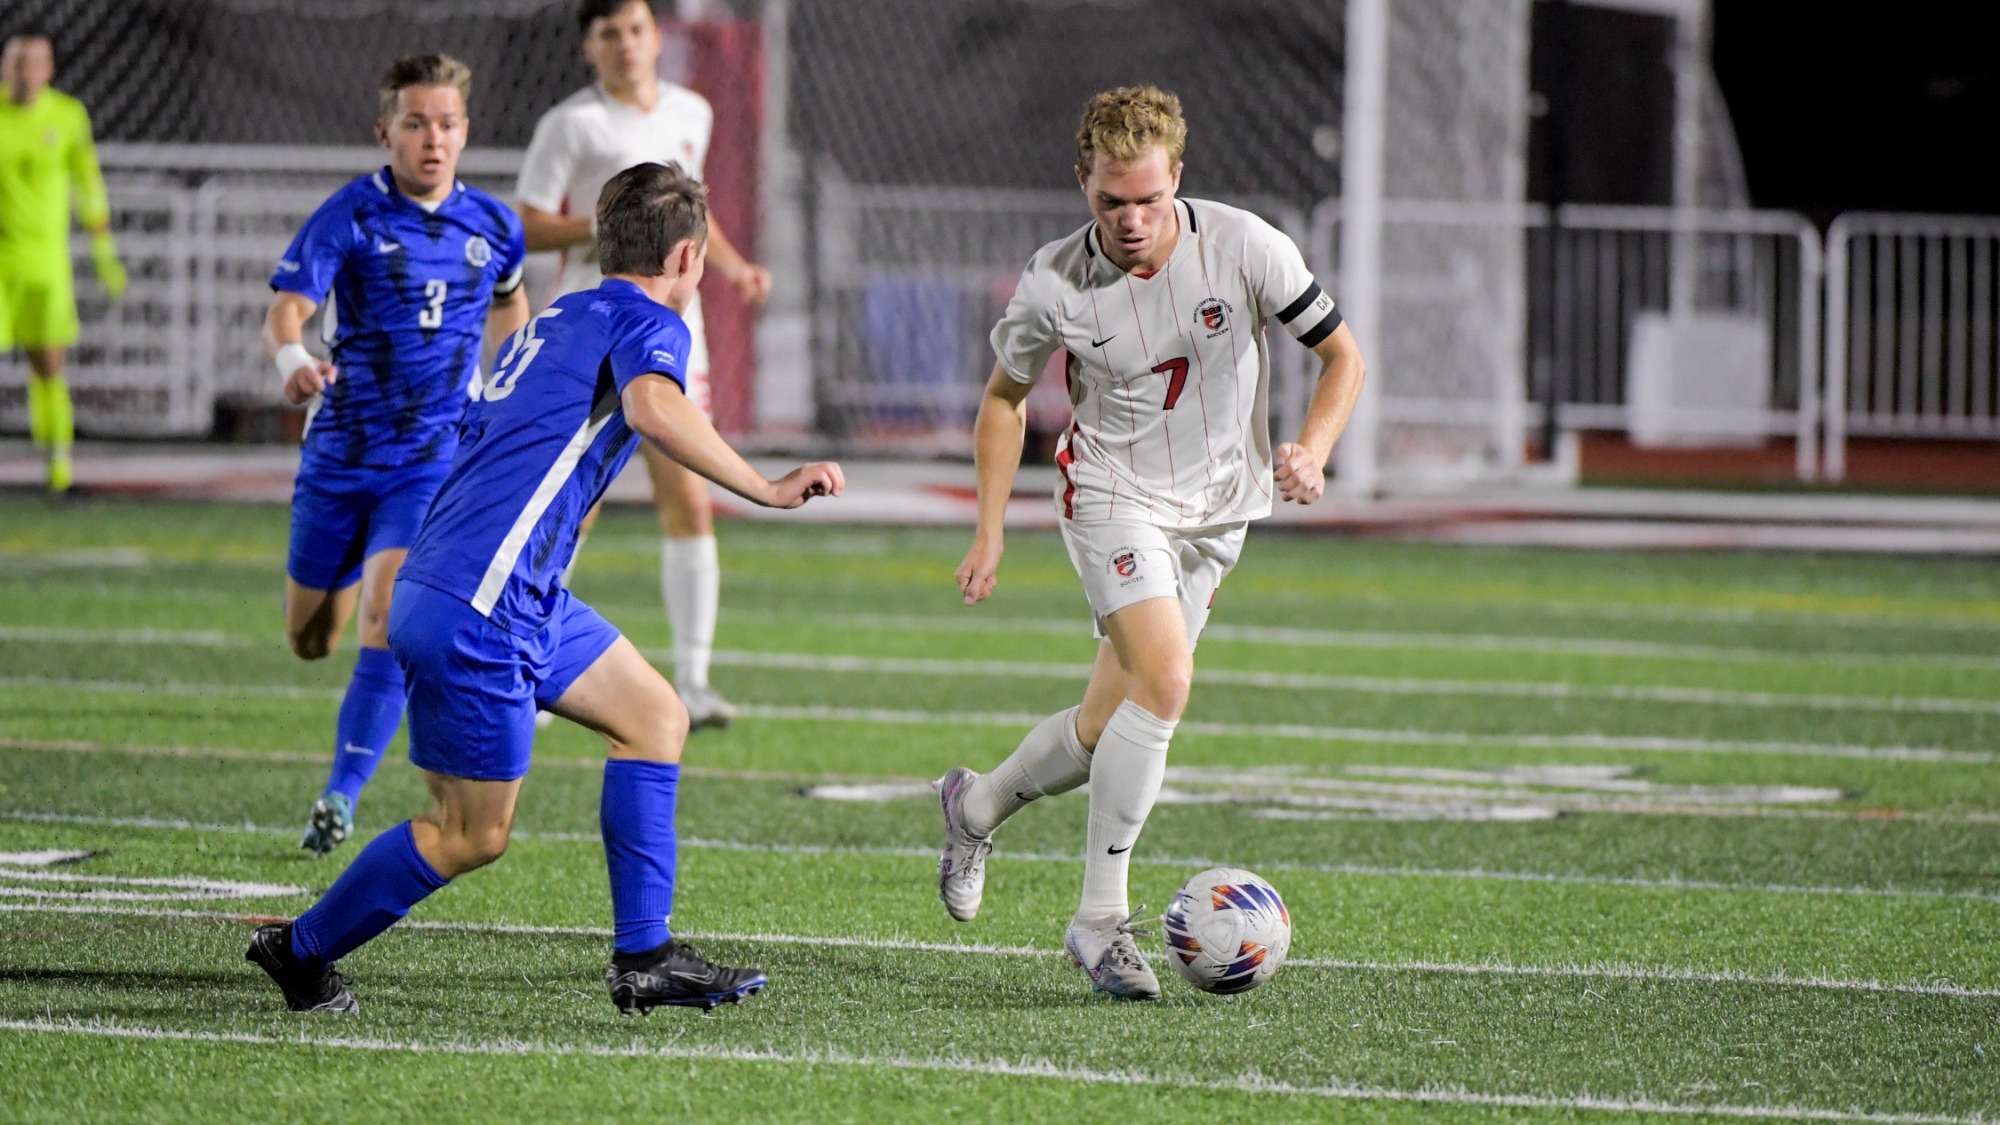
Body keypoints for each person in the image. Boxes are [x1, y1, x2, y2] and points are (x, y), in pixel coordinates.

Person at [245, 161, 843, 1015]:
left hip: (486, 588)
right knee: (469, 834)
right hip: (483, 604)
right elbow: (652, 408)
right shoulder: (650, 320)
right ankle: (301, 950)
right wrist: (768, 487)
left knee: (655, 717)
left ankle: (646, 954)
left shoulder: (561, 315)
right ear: (685, 258)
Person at [932, 86, 1366, 999]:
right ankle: (1099, 922)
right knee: (1166, 680)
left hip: (1218, 511)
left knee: (1108, 725)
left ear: (1179, 178)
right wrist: (989, 528)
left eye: (1148, 199)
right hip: (1113, 494)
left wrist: (1314, 448)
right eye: (1110, 201)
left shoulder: (1246, 245)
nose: (1130, 220)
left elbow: (1342, 356)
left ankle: (974, 804)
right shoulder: (1053, 281)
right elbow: (1004, 400)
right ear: (1081, 183)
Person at [263, 54, 530, 856]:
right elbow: (288, 310)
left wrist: (514, 397)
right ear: (385, 132)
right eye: (416, 124)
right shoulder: (350, 213)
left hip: (431, 459)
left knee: (386, 616)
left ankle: (339, 796)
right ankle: (340, 582)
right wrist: (294, 360)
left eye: (446, 124)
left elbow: (511, 313)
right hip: (341, 453)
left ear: (465, 132)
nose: (432, 139)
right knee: (311, 637)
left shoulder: (494, 227)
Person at [514, 0, 773, 730]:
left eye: (635, 29)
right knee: (573, 502)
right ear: (588, 48)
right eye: (609, 34)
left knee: (688, 498)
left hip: (673, 331)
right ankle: (528, 657)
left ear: (657, 36)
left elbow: (691, 217)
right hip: (591, 333)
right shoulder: (571, 125)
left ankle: (694, 679)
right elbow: (526, 224)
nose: (626, 44)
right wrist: (616, 228)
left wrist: (734, 267)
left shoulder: (692, 111)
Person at [0, 28, 124, 494]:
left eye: (34, 63)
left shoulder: (68, 117)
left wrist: (103, 250)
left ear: (49, 69)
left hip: (47, 264)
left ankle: (58, 470)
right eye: (17, 62)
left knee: (48, 366)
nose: (25, 72)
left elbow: (87, 182)